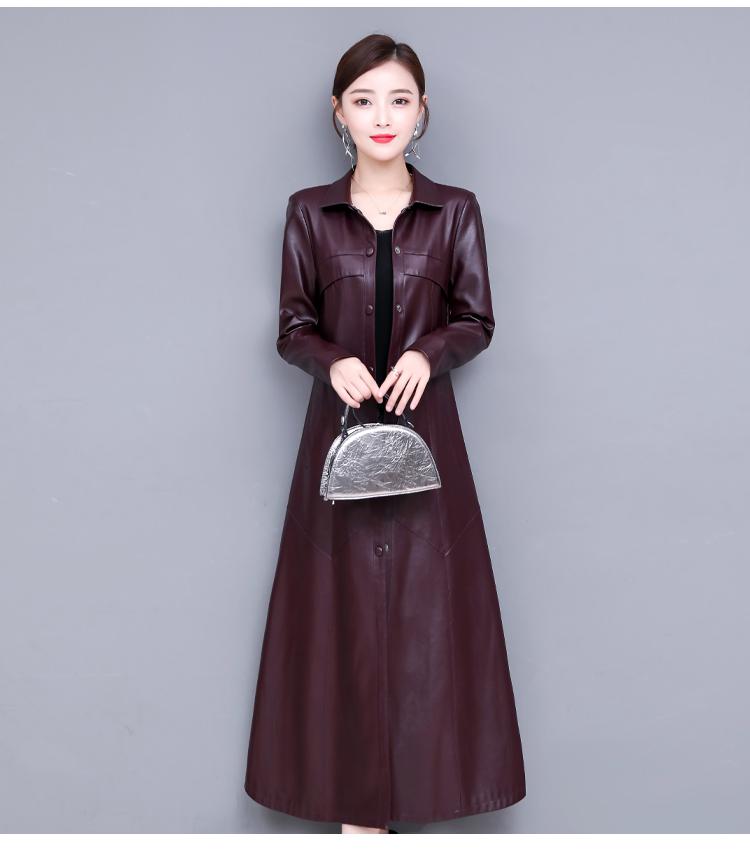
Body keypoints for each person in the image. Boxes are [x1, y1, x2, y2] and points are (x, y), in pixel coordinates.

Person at [244, 33, 526, 834]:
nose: (382, 116)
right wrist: (329, 359)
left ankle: (414, 809)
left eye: (399, 100)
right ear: (338, 112)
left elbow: (476, 319)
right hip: (334, 450)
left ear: (421, 111)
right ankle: (356, 823)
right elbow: (292, 326)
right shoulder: (308, 211)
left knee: (430, 630)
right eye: (364, 100)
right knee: (339, 627)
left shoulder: (455, 210)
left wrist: (428, 353)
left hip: (429, 446)